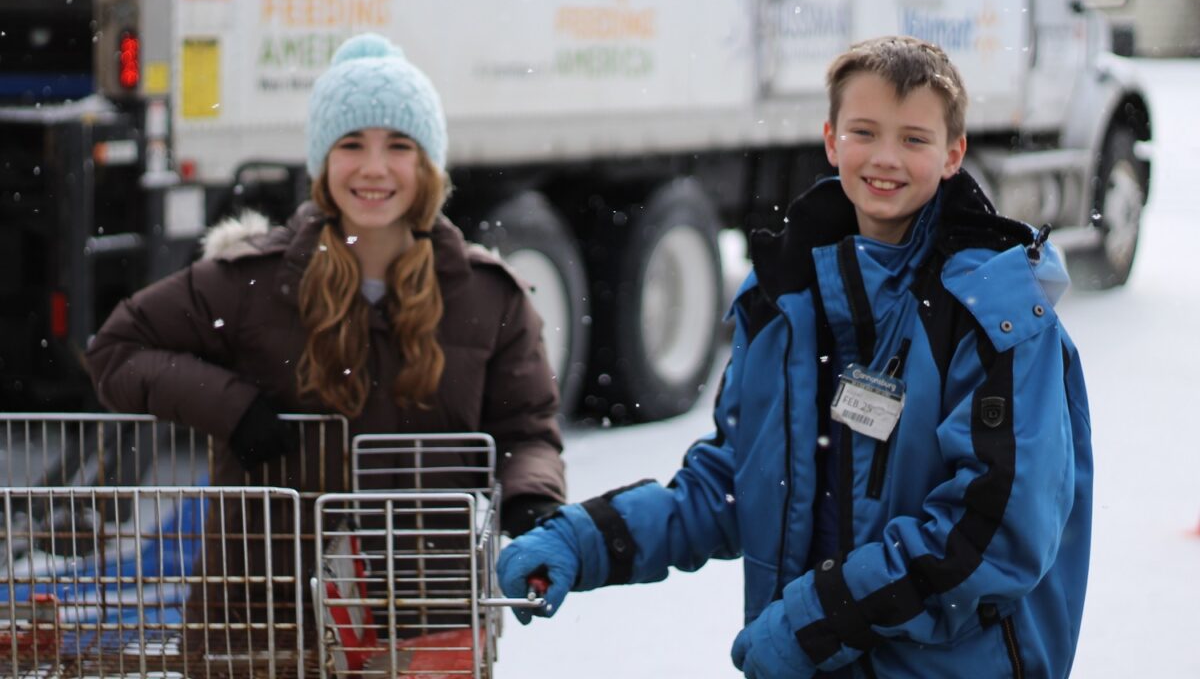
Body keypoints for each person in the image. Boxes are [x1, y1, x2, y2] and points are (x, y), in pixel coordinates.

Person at [498, 36, 1092, 678]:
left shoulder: (995, 315)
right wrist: (584, 539)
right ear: (832, 140)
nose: (886, 158)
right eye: (865, 132)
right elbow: (734, 481)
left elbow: (994, 536)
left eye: (915, 139)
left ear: (954, 154)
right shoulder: (784, 299)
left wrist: (818, 622)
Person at [87, 34, 567, 650]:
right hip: (262, 623)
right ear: (323, 162)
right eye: (351, 145)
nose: (373, 168)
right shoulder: (248, 281)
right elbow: (116, 352)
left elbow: (528, 430)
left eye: (399, 145)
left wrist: (532, 501)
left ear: (427, 167)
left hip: (425, 615)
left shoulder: (489, 296)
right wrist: (232, 408)